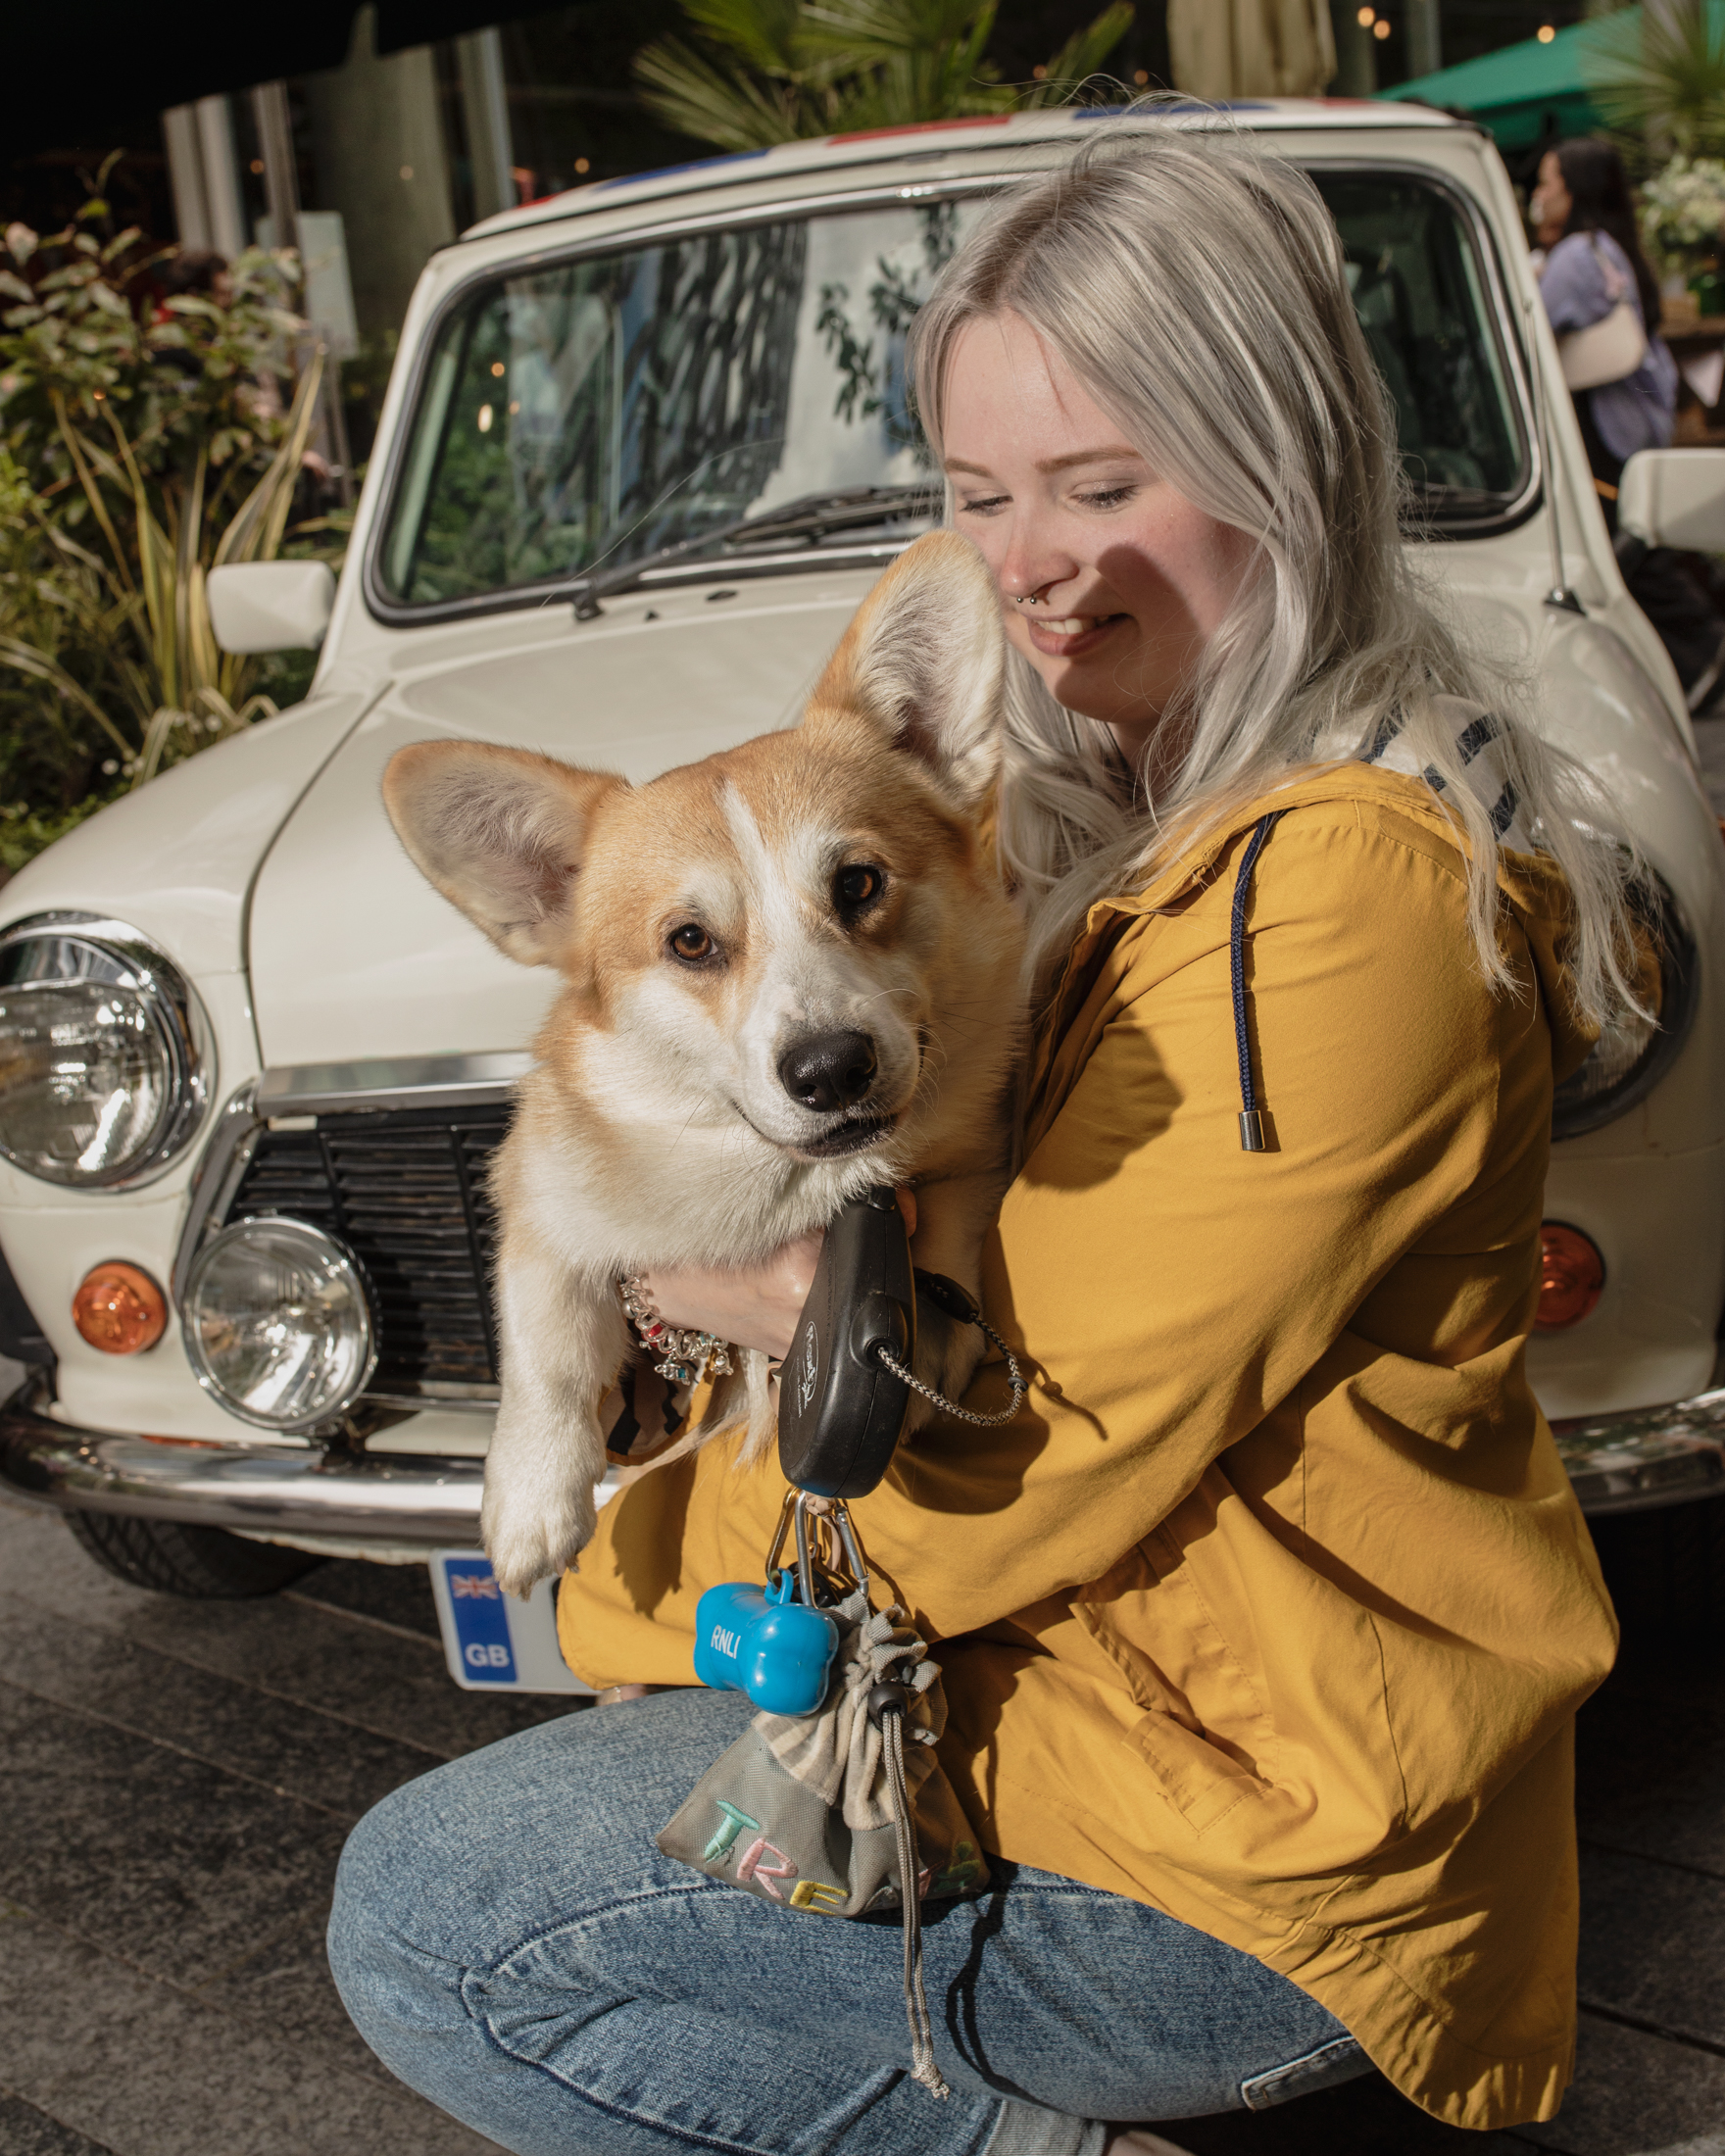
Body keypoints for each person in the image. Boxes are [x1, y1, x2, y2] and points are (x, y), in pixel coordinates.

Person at [327, 122, 1638, 2153]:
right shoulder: (1129, 825)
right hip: (1127, 1705)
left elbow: (1027, 1450)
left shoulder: (1336, 899)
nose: (1031, 558)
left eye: (1106, 482)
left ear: (1283, 460)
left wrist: (701, 1384)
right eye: (978, 495)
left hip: (1255, 1843)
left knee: (437, 1920)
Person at [1531, 136, 1722, 691]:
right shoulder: (1610, 247)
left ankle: (1700, 649)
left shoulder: (1573, 258)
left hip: (1606, 428)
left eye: (1548, 183)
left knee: (1627, 542)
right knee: (1639, 537)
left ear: (1576, 191)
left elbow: (1530, 327)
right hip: (1636, 417)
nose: (1538, 196)